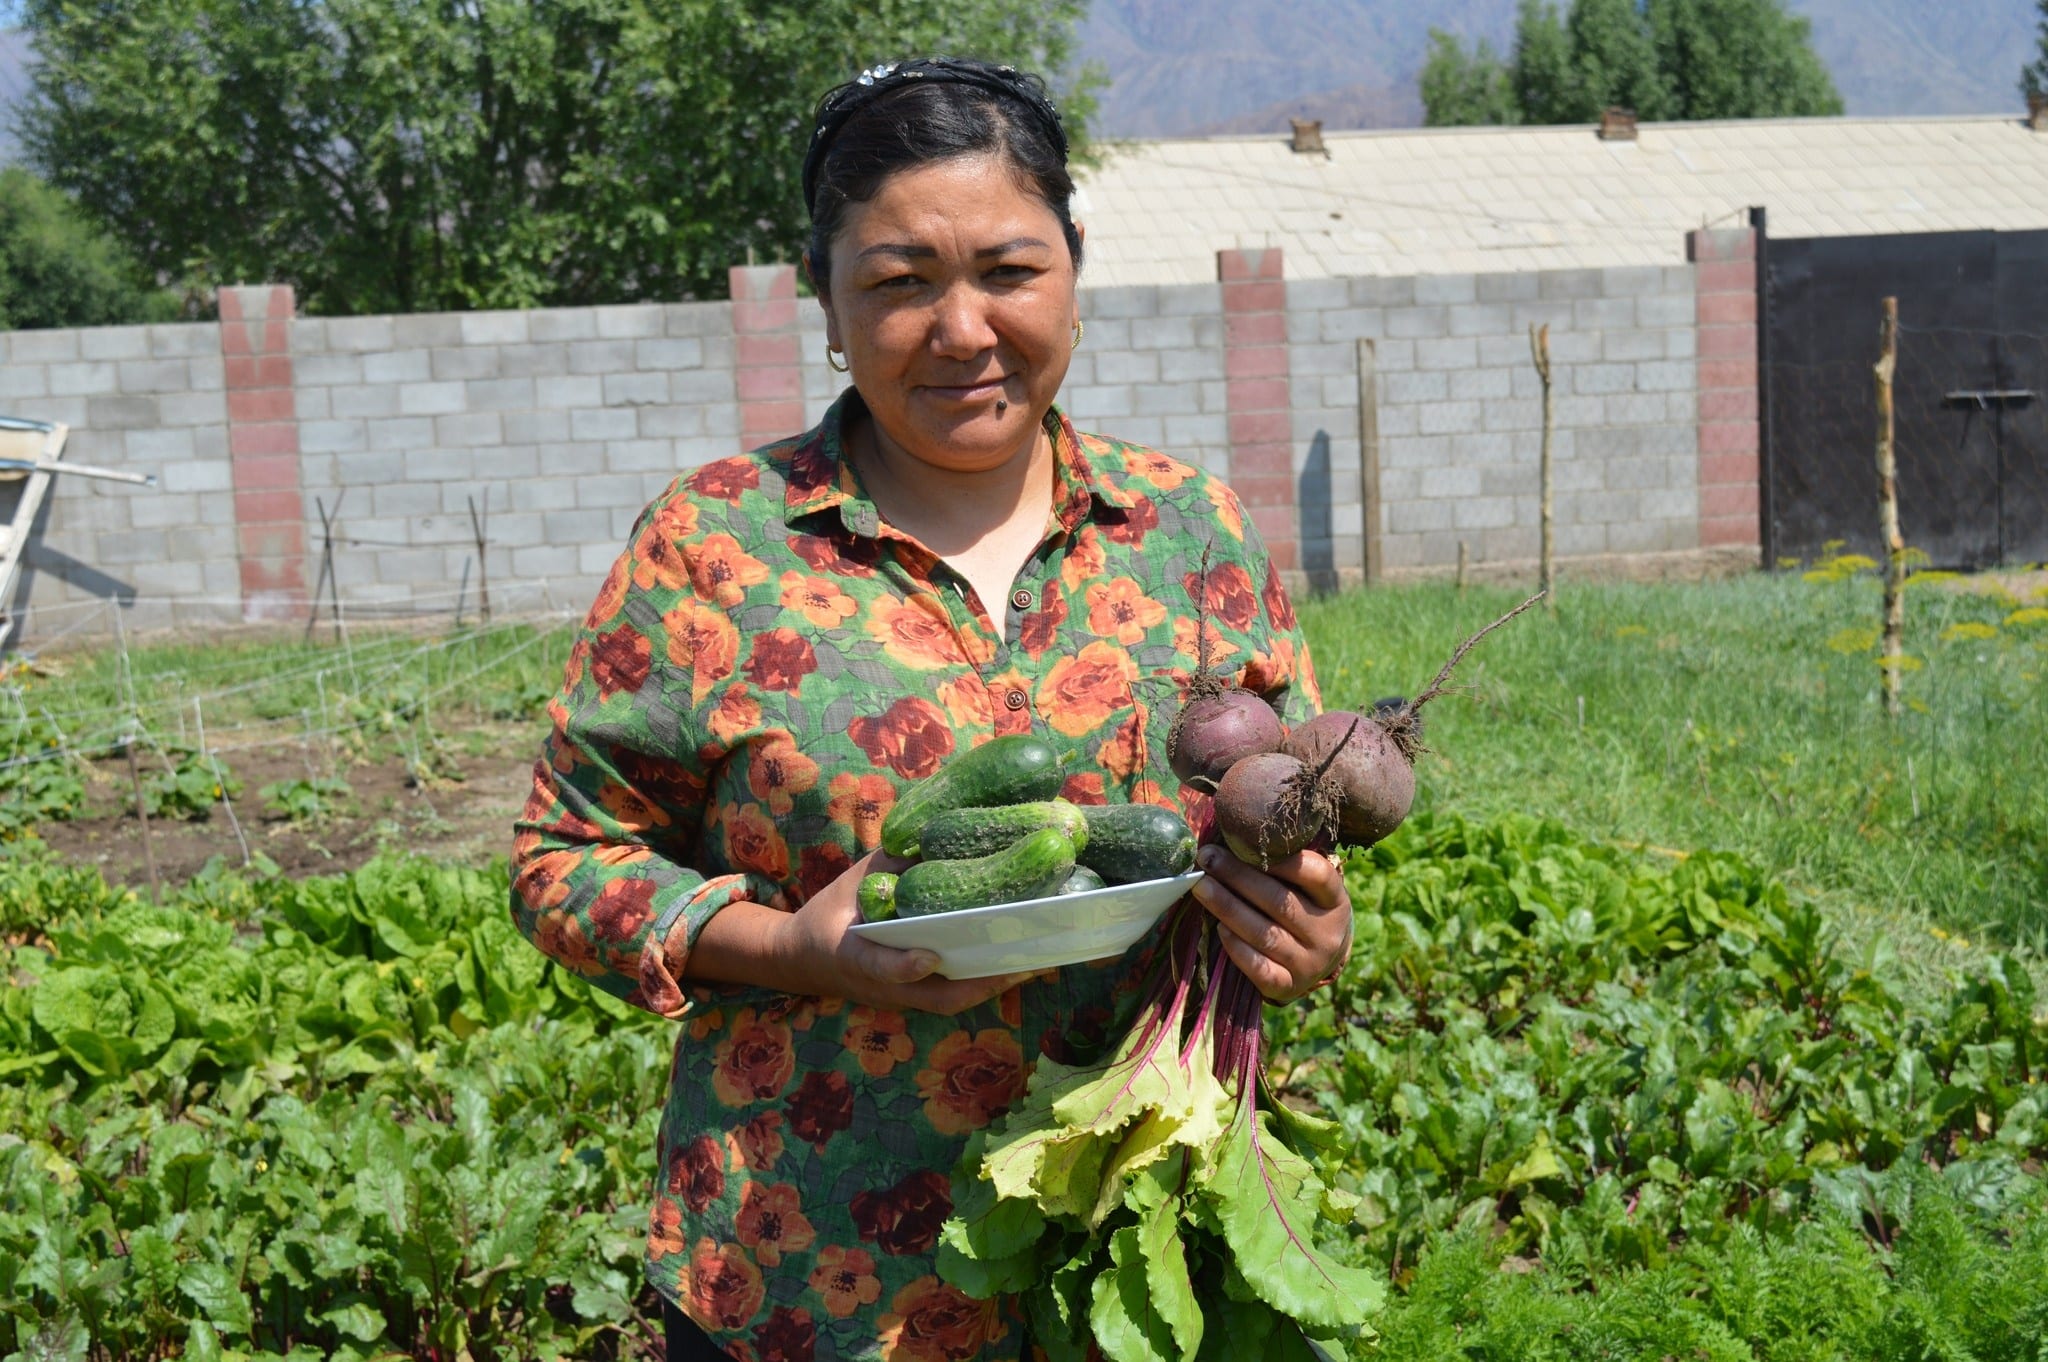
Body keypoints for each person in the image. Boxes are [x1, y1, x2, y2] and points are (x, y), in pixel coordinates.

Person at [510, 56, 1354, 1362]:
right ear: (829, 309)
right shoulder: (714, 544)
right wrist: (790, 945)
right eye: (901, 282)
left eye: (1009, 272)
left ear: (1075, 270)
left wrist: (1304, 919)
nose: (963, 328)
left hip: (1136, 1244)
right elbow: (560, 862)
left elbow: (1293, 815)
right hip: (808, 1266)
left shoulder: (1194, 530)